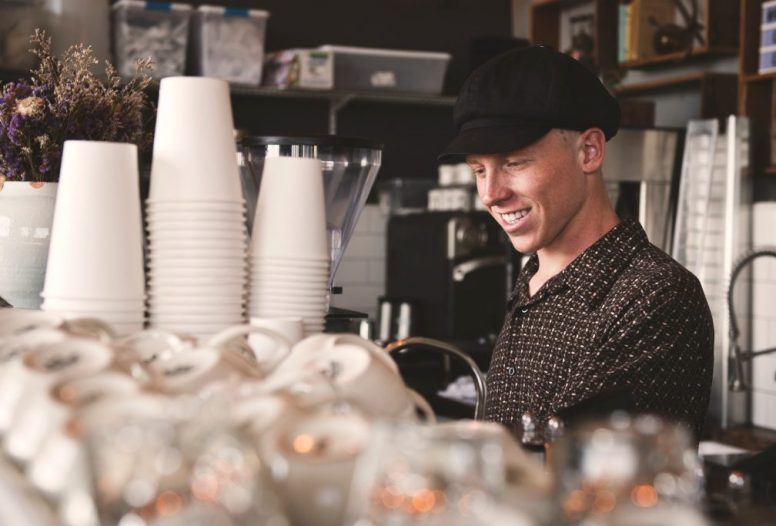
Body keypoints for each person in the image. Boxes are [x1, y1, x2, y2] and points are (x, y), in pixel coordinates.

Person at [438, 46, 714, 438]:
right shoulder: (533, 281)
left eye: (514, 163)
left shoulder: (656, 296)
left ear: (589, 151)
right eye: (479, 170)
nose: (491, 193)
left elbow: (584, 479)